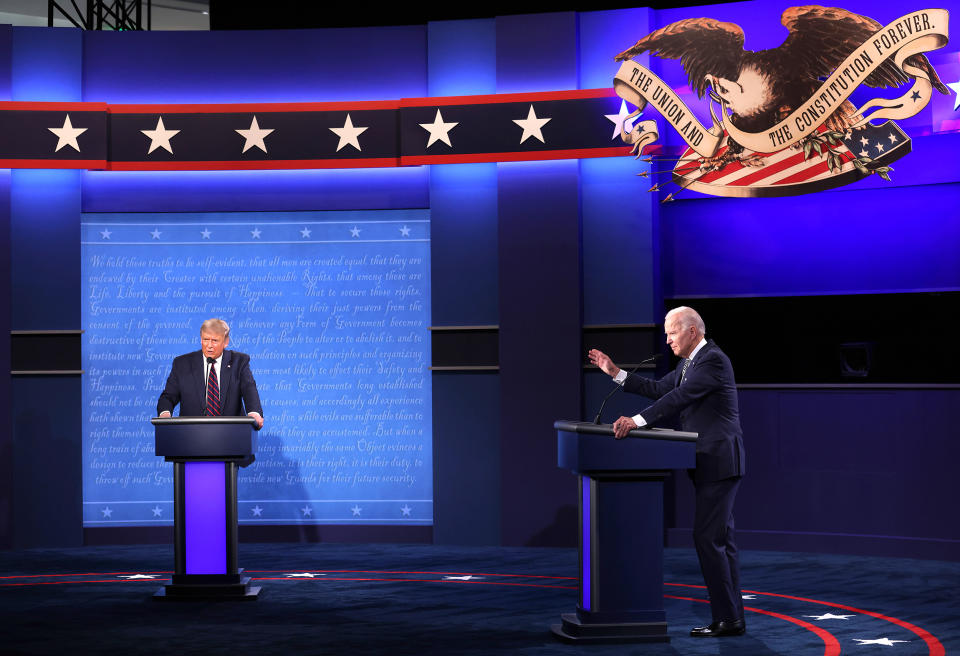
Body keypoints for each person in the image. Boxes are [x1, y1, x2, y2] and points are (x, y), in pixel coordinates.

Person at [588, 306, 745, 638]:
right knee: (720, 541)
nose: (667, 339)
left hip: (719, 461)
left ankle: (728, 619)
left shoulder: (712, 361)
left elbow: (678, 399)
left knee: (708, 539)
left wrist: (636, 421)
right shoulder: (689, 363)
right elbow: (660, 390)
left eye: (672, 332)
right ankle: (731, 618)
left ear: (692, 331)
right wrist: (615, 372)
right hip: (710, 462)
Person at [157, 318, 264, 429]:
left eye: (215, 340)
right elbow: (168, 397)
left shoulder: (239, 362)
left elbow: (249, 390)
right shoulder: (182, 364)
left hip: (232, 433)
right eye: (206, 339)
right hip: (191, 435)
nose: (209, 345)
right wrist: (165, 413)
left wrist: (254, 413)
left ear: (226, 342)